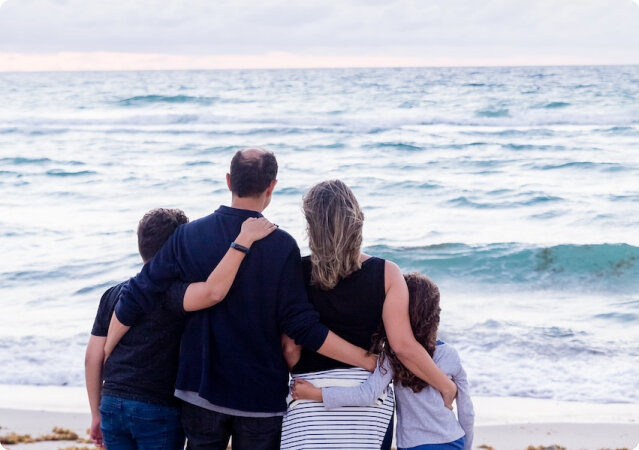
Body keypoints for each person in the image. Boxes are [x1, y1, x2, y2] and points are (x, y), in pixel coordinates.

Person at [104, 148, 376, 450]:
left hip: (200, 389)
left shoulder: (188, 235)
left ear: (228, 180)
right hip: (260, 395)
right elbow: (300, 325)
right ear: (272, 186)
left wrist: (107, 350)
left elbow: (139, 292)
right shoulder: (282, 245)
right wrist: (364, 359)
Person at [280, 180, 458, 449]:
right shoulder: (387, 273)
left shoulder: (295, 271)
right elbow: (403, 347)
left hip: (308, 400)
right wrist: (445, 386)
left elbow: (290, 349)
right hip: (369, 405)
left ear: (311, 226)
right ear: (357, 221)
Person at [85, 208, 276, 449]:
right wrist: (243, 240)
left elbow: (92, 359)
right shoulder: (173, 293)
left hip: (112, 403)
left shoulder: (112, 294)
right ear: (180, 247)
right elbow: (212, 292)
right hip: (156, 407)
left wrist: (96, 413)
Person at [292, 273, 475, 450]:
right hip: (453, 440)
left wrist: (316, 394)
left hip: (414, 444)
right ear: (434, 314)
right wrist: (466, 446)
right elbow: (466, 411)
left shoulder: (393, 355)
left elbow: (367, 394)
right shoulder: (449, 354)